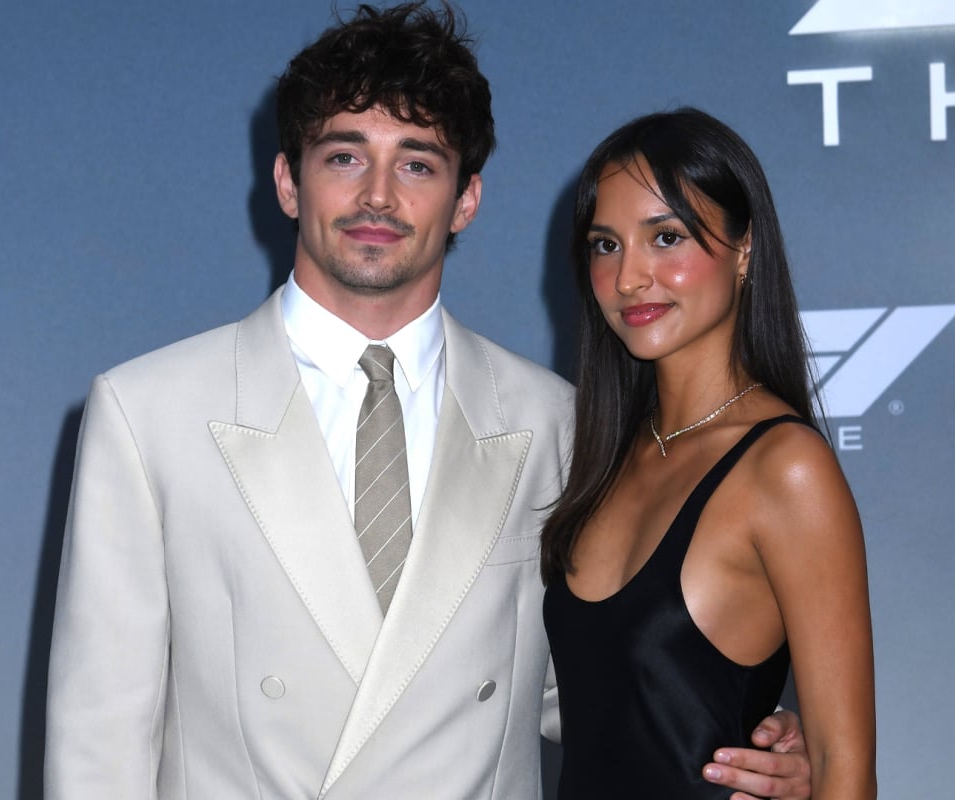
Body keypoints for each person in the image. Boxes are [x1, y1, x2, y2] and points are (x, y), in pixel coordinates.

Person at [44, 5, 811, 798]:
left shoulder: (553, 422)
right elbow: (99, 742)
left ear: (467, 199)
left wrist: (743, 736)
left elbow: (590, 685)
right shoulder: (149, 415)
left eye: (416, 164)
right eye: (345, 157)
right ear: (288, 182)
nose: (377, 196)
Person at [541, 109, 876, 798]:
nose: (629, 277)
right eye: (605, 245)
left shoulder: (785, 469)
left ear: (744, 249)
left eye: (666, 237)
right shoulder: (601, 457)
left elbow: (845, 771)